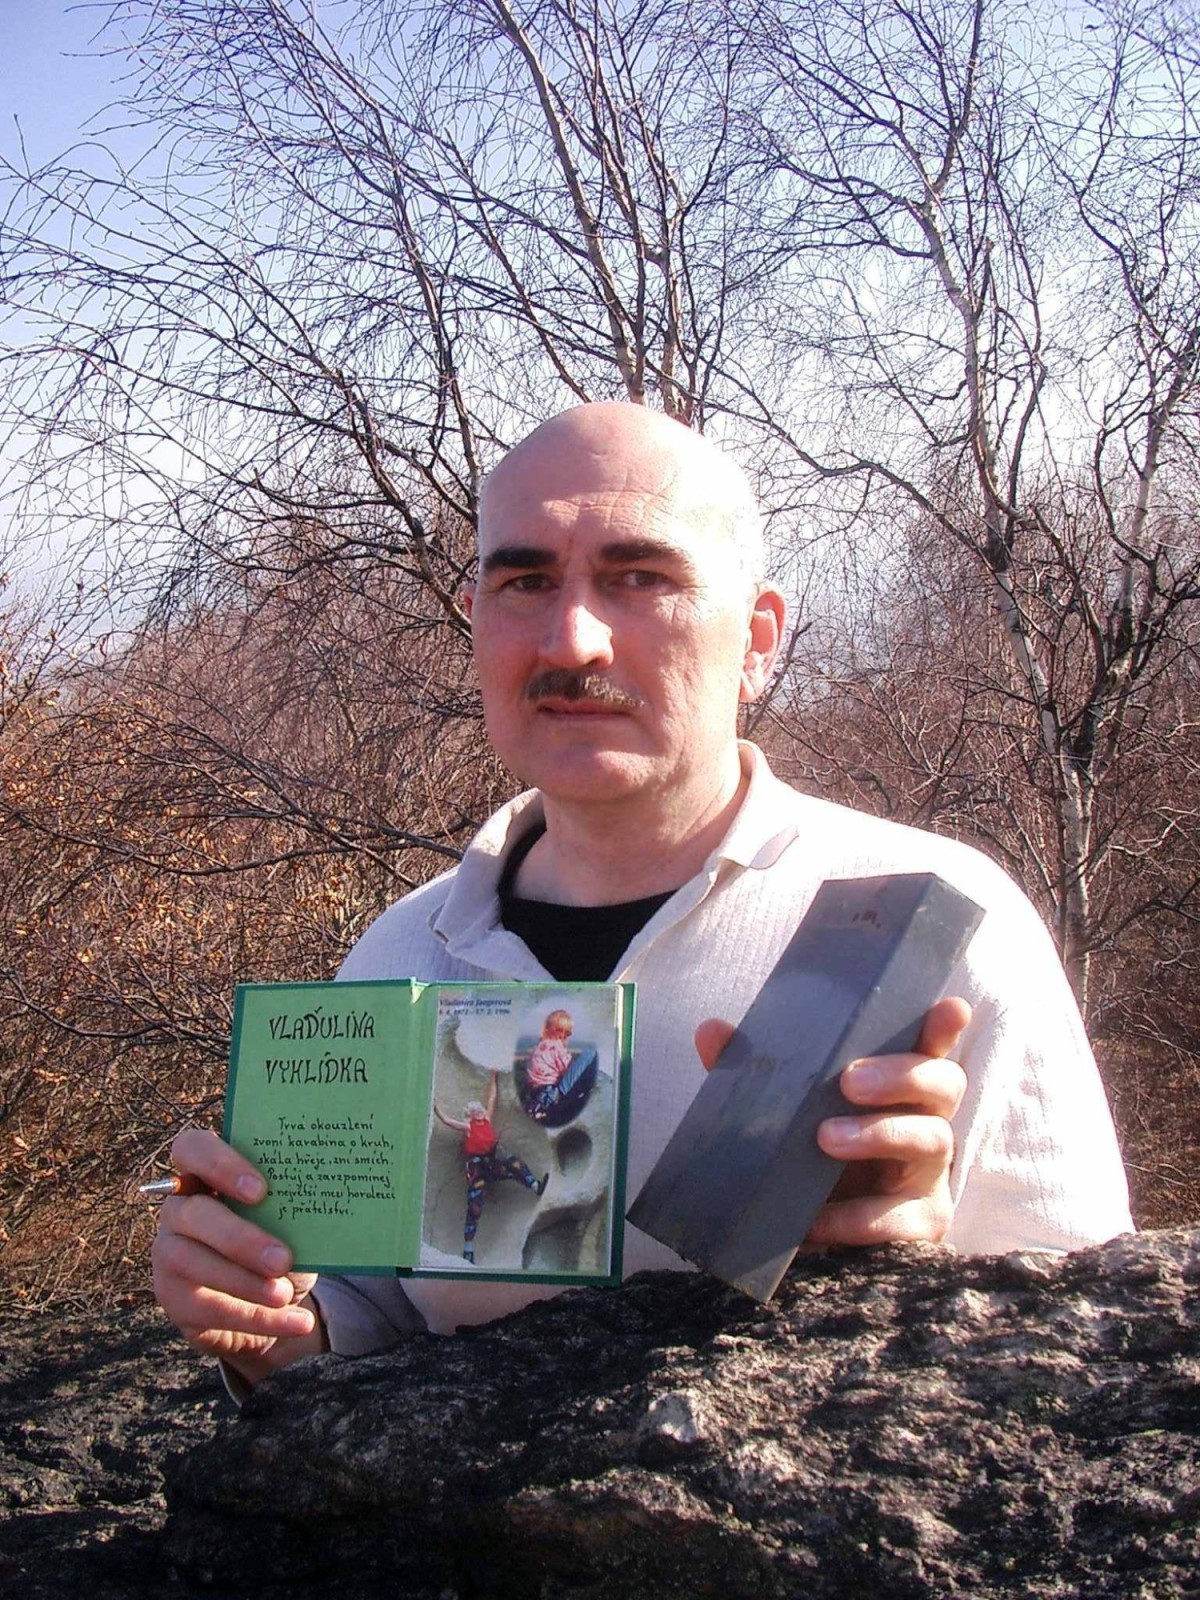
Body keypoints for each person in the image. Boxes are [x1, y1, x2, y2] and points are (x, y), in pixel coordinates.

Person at [152, 401, 1132, 1390]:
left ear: (758, 641)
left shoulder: (937, 925)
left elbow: (1094, 1352)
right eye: (526, 581)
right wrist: (273, 1323)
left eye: (639, 578)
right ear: (478, 623)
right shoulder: (400, 953)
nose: (572, 641)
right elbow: (372, 1319)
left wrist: (914, 1276)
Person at [432, 1069, 549, 1262]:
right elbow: (447, 1121)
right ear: (470, 1115)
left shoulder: (486, 1120)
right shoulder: (469, 1127)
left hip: (491, 1165)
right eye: (475, 1110)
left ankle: (535, 1185)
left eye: (480, 1109)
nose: (479, 1111)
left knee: (513, 1163)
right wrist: (436, 1108)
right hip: (477, 1171)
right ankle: (468, 1248)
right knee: (475, 1206)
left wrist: (493, 1077)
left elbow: (492, 1098)